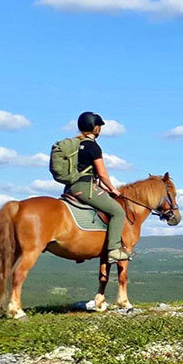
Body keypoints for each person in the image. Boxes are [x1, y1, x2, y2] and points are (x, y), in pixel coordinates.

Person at [66, 111, 130, 264]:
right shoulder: (92, 147)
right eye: (99, 126)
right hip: (85, 188)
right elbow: (102, 173)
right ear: (94, 128)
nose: (99, 129)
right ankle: (114, 250)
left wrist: (102, 187)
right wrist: (113, 189)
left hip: (69, 187)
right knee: (118, 212)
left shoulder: (75, 145)